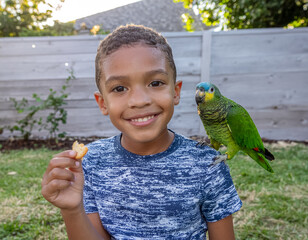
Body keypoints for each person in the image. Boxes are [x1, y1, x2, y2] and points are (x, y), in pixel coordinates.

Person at [41, 24, 242, 240]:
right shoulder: (90, 163)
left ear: (176, 92)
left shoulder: (208, 164)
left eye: (155, 83)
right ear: (103, 103)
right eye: (119, 88)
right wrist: (72, 210)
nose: (139, 101)